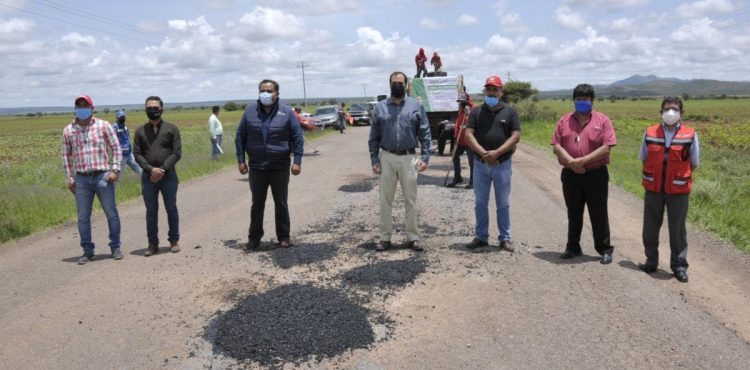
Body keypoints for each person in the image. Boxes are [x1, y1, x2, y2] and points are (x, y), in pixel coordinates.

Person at [551, 84, 616, 264]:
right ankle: (572, 247)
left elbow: (606, 148)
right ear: (574, 100)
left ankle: (604, 249)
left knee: (599, 212)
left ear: (592, 101)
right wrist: (572, 163)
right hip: (571, 174)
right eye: (578, 99)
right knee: (574, 211)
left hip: (596, 174)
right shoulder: (564, 121)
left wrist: (583, 161)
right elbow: (556, 146)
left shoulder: (602, 121)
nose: (582, 102)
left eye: (585, 99)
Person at [236, 79, 304, 250]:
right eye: (262, 91)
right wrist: (241, 160)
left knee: (281, 202)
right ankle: (254, 238)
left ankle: (284, 237)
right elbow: (240, 137)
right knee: (257, 204)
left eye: (268, 91)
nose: (265, 94)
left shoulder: (286, 112)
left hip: (279, 166)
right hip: (257, 167)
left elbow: (297, 137)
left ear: (277, 94)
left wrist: (297, 161)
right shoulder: (250, 112)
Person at [638, 97, 699, 283]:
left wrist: (677, 176)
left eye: (674, 109)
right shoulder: (649, 132)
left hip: (678, 190)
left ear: (682, 112)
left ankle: (679, 266)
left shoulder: (690, 134)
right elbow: (644, 157)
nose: (670, 112)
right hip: (654, 188)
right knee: (650, 227)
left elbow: (694, 162)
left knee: (677, 229)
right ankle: (651, 261)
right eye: (666, 109)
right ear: (661, 112)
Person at [368, 71, 431, 252]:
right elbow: (373, 137)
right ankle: (385, 238)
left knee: (410, 199)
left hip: (409, 157)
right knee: (385, 200)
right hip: (386, 157)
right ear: (390, 85)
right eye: (394, 83)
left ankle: (412, 237)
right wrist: (374, 159)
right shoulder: (380, 107)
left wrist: (425, 158)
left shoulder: (416, 106)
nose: (397, 85)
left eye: (400, 83)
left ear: (406, 85)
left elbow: (425, 133)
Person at [61, 95, 123, 264]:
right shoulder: (68, 130)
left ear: (92, 107)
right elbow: (66, 156)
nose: (82, 108)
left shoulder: (103, 126)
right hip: (81, 180)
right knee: (83, 217)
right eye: (79, 105)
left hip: (103, 176)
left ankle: (115, 247)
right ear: (75, 108)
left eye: (85, 105)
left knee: (111, 214)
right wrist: (69, 178)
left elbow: (116, 147)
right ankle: (88, 251)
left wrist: (115, 170)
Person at [463, 76, 520, 252]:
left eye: (495, 89)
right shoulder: (476, 112)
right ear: (484, 91)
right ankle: (481, 237)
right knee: (480, 202)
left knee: (502, 203)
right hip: (480, 164)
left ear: (501, 92)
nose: (491, 92)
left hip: (502, 163)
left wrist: (497, 152)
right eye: (488, 89)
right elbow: (468, 134)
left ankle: (505, 238)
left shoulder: (510, 112)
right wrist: (483, 153)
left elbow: (515, 136)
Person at [133, 96, 182, 257]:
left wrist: (161, 170)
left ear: (162, 109)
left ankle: (174, 241)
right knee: (151, 211)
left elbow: (176, 153)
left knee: (171, 208)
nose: (152, 110)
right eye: (149, 108)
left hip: (168, 176)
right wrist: (150, 170)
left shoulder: (172, 129)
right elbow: (137, 154)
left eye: (155, 107)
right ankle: (152, 244)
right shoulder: (140, 131)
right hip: (148, 177)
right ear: (145, 110)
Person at [447, 89, 475, 189]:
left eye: (463, 102)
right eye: (460, 102)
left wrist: (468, 115)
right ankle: (457, 177)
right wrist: (455, 138)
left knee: (472, 161)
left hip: (470, 141)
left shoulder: (474, 109)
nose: (461, 104)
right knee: (454, 157)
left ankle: (473, 181)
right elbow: (458, 124)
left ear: (468, 100)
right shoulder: (461, 109)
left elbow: (473, 124)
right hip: (460, 140)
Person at [113, 110, 143, 174]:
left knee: (139, 170)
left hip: (129, 153)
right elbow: (113, 141)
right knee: (117, 174)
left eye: (123, 117)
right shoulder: (115, 127)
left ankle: (146, 181)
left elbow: (128, 137)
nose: (122, 119)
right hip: (121, 155)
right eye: (121, 117)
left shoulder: (125, 126)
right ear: (117, 118)